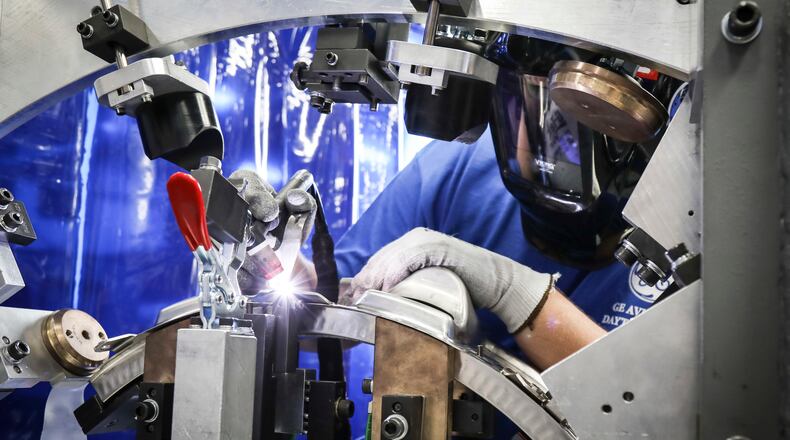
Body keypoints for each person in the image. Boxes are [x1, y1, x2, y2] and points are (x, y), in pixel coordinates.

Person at [233, 35, 676, 371]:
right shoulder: (455, 167)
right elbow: (341, 312)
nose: (527, 142)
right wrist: (278, 270)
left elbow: (661, 412)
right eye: (519, 105)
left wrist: (513, 292)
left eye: (563, 120)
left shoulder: (700, 220)